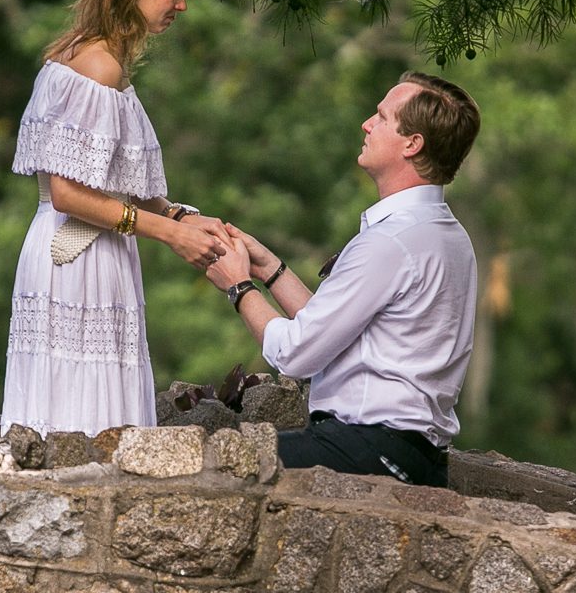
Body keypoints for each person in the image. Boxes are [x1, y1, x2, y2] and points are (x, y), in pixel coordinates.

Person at [0, 0, 230, 437]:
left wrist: (183, 217)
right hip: (75, 257)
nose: (181, 5)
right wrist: (170, 234)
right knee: (81, 426)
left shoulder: (93, 55)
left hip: (94, 252)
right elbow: (66, 194)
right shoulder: (96, 65)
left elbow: (112, 183)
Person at [206, 72, 481, 486]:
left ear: (412, 144)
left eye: (382, 117)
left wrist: (238, 286)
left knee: (213, 463)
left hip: (370, 448)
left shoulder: (392, 241)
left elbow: (297, 354)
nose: (366, 124)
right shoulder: (445, 234)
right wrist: (269, 269)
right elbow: (329, 328)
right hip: (409, 454)